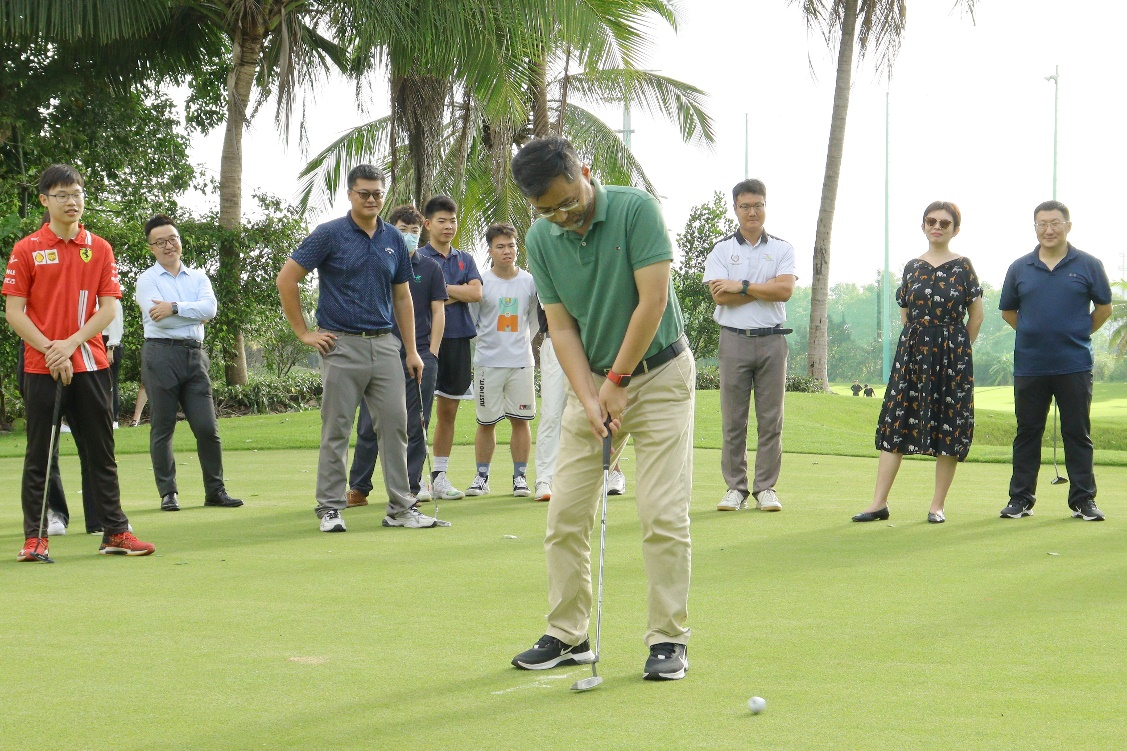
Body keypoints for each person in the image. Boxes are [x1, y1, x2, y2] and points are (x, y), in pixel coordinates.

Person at [508, 136, 694, 681]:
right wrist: (591, 397)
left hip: (659, 375)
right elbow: (561, 327)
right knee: (565, 514)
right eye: (548, 210)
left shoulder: (637, 210)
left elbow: (652, 301)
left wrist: (617, 380)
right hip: (591, 382)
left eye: (569, 201)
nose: (563, 217)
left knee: (661, 513)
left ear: (584, 172)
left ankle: (668, 639)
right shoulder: (541, 238)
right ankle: (568, 634)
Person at [276, 164, 445, 531]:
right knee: (337, 429)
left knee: (396, 427)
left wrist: (412, 351)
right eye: (364, 193)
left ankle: (400, 508)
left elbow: (402, 297)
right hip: (340, 344)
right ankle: (330, 508)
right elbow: (287, 279)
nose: (371, 199)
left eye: (377, 194)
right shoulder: (329, 234)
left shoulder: (393, 238)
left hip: (385, 345)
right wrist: (304, 333)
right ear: (350, 194)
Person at [4, 163, 153, 560]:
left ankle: (115, 532)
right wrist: (51, 350)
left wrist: (68, 345)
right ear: (45, 200)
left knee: (102, 451)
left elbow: (108, 309)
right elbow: (14, 312)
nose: (71, 202)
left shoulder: (99, 248)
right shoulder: (27, 249)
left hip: (91, 362)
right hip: (40, 366)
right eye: (62, 195)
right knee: (40, 453)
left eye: (77, 194)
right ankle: (35, 539)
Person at [851, 202, 984, 524]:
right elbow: (905, 312)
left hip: (952, 358)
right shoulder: (912, 267)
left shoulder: (963, 267)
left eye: (944, 223)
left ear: (955, 229)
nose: (937, 226)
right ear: (923, 226)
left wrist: (958, 351)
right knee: (896, 421)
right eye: (931, 221)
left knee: (949, 426)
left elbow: (977, 315)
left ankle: (937, 506)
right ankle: (878, 503)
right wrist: (920, 343)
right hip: (912, 355)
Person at [998, 200, 1113, 521]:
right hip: (1030, 365)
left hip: (1074, 364)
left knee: (1077, 433)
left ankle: (1083, 500)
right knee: (1027, 432)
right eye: (1042, 224)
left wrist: (1077, 333)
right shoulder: (1019, 267)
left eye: (1055, 223)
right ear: (1035, 228)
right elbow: (1008, 312)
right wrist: (1034, 333)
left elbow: (1104, 309)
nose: (1048, 230)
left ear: (1068, 226)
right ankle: (1020, 499)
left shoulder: (1089, 264)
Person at [136, 214, 243, 512]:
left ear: (180, 241)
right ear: (152, 248)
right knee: (163, 426)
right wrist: (190, 314)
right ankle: (168, 493)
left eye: (173, 239)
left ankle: (215, 491)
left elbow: (210, 309)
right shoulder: (147, 280)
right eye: (160, 242)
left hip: (195, 356)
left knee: (207, 427)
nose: (168, 246)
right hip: (160, 354)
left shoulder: (198, 278)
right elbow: (158, 320)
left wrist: (173, 308)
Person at [703, 179, 795, 513]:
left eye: (758, 205)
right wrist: (763, 287)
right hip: (734, 340)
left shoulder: (782, 248)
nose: (752, 212)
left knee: (771, 420)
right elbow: (720, 297)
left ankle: (765, 488)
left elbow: (785, 291)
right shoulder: (721, 249)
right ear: (736, 209)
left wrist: (741, 285)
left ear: (765, 206)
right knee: (733, 420)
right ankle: (736, 488)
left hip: (772, 340)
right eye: (745, 206)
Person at [346, 204, 447, 508]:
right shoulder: (377, 261)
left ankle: (411, 489)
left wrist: (432, 352)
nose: (409, 236)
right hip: (379, 353)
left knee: (416, 424)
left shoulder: (431, 268)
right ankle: (359, 488)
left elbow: (438, 311)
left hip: (420, 357)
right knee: (368, 423)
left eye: (414, 231)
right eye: (403, 230)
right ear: (391, 231)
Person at [464, 223, 539, 497]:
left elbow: (534, 321)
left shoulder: (530, 282)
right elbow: (472, 322)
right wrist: (490, 345)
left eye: (511, 246)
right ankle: (482, 477)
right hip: (487, 363)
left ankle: (520, 478)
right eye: (500, 246)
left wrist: (519, 343)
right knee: (486, 422)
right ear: (490, 250)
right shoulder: (481, 282)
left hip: (521, 362)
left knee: (521, 420)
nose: (507, 251)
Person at [418, 196, 483, 500]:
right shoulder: (416, 257)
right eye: (442, 221)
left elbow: (476, 293)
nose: (448, 226)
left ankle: (439, 476)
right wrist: (458, 292)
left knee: (448, 411)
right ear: (428, 224)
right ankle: (415, 477)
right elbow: (416, 298)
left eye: (453, 220)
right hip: (423, 341)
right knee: (418, 412)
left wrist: (439, 292)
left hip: (458, 339)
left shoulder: (464, 259)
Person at [533, 303, 628, 501]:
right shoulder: (549, 280)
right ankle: (545, 479)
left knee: (603, 407)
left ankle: (613, 471)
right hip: (557, 341)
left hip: (594, 339)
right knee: (551, 413)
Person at [104, 300, 124, 427]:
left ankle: (113, 418)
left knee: (111, 382)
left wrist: (110, 348)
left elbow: (115, 325)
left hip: (110, 343)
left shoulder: (113, 301)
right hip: (99, 340)